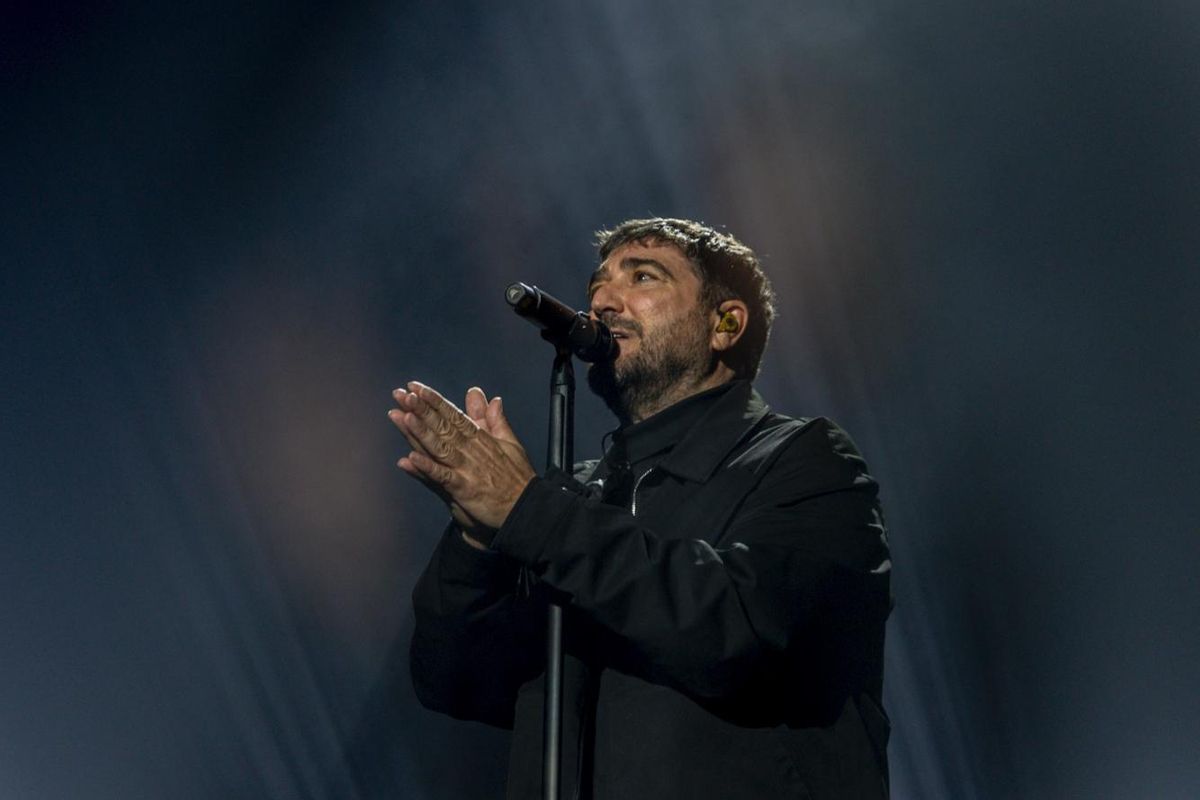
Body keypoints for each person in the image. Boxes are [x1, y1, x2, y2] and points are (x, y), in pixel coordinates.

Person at [389, 218, 892, 799]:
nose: (602, 301)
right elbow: (453, 681)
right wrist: (479, 538)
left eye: (643, 276)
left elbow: (738, 629)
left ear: (725, 324)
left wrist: (527, 511)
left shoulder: (807, 460)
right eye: (597, 285)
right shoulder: (572, 498)